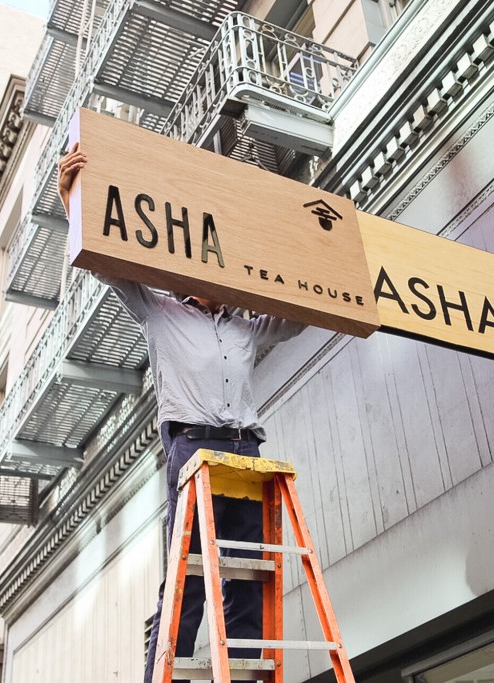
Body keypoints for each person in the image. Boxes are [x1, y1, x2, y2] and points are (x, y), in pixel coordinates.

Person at [58, 143, 305, 682]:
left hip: (246, 448)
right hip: (192, 446)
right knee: (187, 574)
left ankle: (240, 675)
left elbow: (299, 316)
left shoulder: (245, 326)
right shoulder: (160, 311)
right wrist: (72, 199)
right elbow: (106, 264)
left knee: (248, 573)